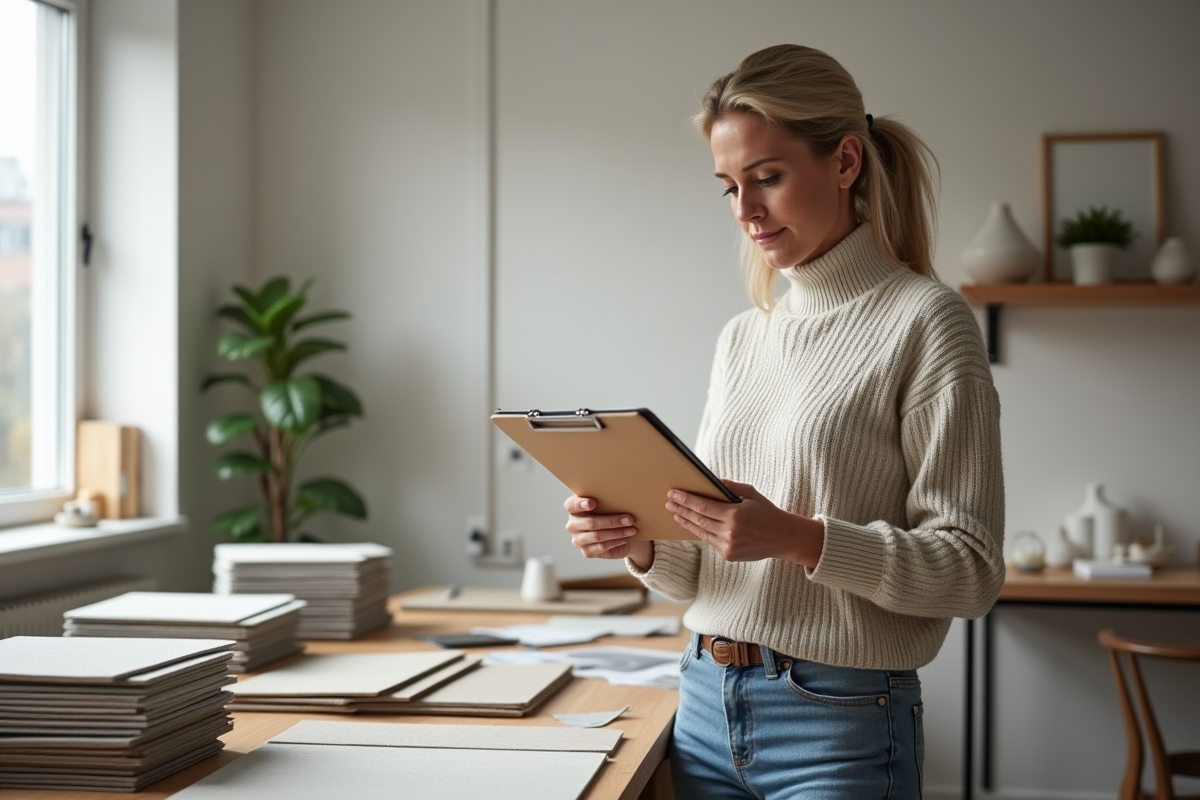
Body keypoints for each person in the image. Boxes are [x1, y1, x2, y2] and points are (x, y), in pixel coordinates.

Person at [564, 43, 1005, 799]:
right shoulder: (744, 336)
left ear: (845, 162)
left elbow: (970, 572)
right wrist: (638, 540)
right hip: (703, 702)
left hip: (840, 719)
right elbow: (704, 566)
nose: (745, 211)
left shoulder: (928, 321)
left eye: (767, 177)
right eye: (728, 187)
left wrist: (800, 538)